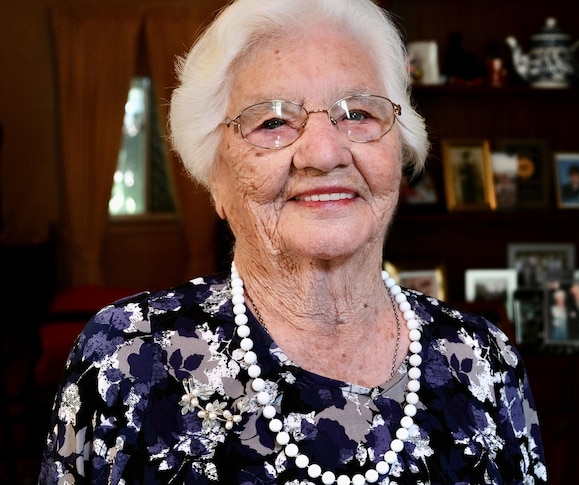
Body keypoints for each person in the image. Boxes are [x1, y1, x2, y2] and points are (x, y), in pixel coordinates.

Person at [38, 0, 547, 483]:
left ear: (400, 146)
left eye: (358, 114)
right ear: (217, 178)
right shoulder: (125, 359)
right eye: (274, 121)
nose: (325, 152)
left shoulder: (485, 362)